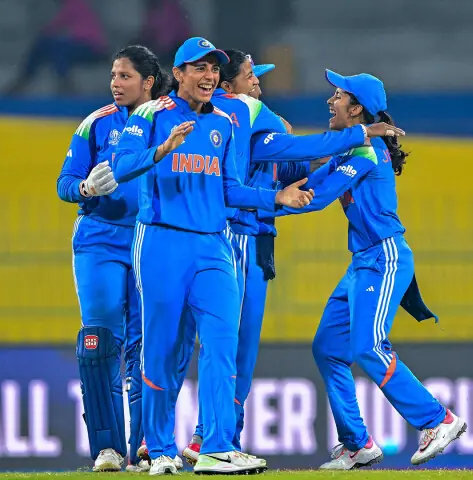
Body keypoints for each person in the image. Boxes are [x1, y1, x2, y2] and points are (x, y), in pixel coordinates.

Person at [180, 49, 407, 466]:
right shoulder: (240, 116)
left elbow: (291, 170)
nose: (259, 84)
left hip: (254, 242)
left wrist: (323, 157)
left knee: (231, 346)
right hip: (237, 239)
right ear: (229, 87)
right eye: (252, 76)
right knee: (229, 345)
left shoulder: (246, 127)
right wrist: (354, 138)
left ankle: (215, 436)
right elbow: (294, 165)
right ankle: (211, 438)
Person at [112, 36, 313, 475]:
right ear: (178, 74)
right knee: (161, 350)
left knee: (222, 343)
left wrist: (276, 196)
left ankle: (218, 446)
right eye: (198, 68)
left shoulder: (223, 122)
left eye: (214, 69)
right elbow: (121, 168)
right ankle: (160, 448)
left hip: (214, 244)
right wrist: (161, 151)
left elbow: (229, 189)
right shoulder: (150, 114)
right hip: (162, 241)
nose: (208, 76)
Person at [270, 69, 465, 469]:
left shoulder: (362, 153)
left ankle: (438, 419)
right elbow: (307, 182)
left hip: (383, 257)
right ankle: (357, 443)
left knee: (369, 346)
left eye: (338, 95)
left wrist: (243, 202)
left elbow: (314, 196)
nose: (330, 101)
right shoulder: (350, 152)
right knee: (328, 348)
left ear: (357, 109)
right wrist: (265, 198)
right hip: (362, 262)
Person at [56, 45, 173, 472]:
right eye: (112, 75)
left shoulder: (170, 120)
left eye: (124, 76)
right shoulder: (96, 123)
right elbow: (64, 183)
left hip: (151, 241)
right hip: (99, 240)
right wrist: (86, 189)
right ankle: (107, 447)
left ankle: (143, 448)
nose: (115, 83)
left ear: (147, 81)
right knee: (100, 343)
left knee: (146, 346)